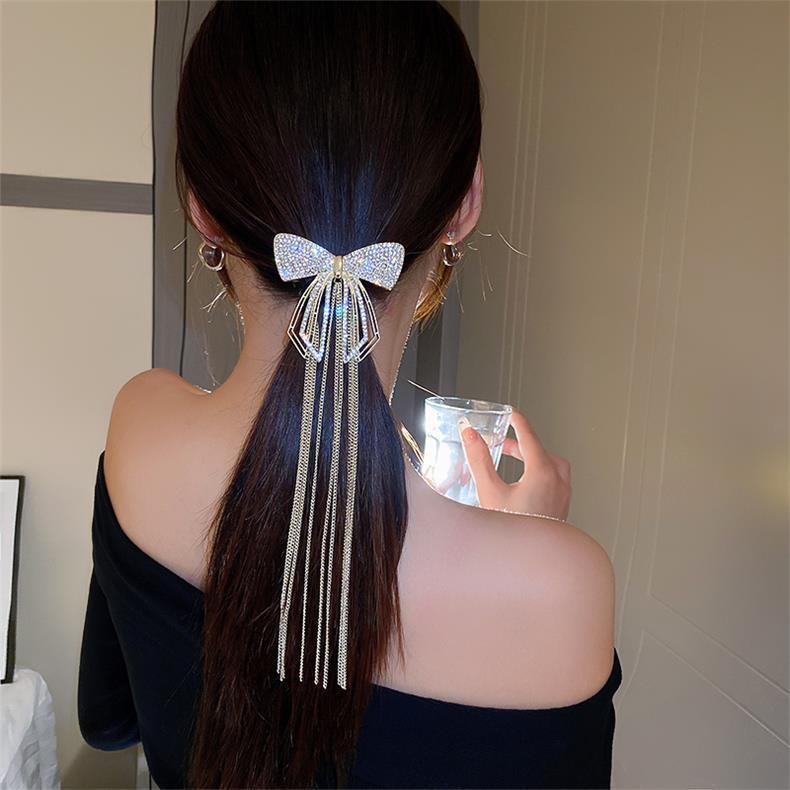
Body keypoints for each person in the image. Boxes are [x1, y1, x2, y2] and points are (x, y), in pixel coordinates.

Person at [78, 2, 620, 788]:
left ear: (202, 209)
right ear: (464, 205)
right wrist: (524, 553)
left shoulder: (139, 426)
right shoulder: (562, 591)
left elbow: (106, 720)